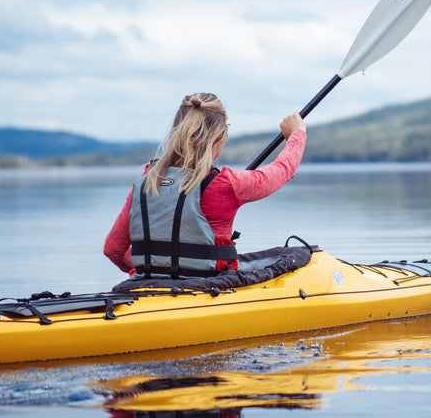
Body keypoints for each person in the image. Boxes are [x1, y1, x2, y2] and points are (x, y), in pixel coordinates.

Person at [103, 92, 306, 279]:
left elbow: (113, 249)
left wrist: (151, 268)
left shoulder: (146, 182)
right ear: (220, 135)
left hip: (146, 287)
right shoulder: (225, 184)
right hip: (207, 288)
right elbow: (282, 170)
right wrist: (297, 134)